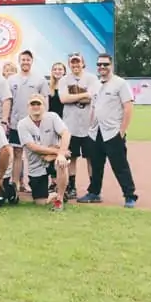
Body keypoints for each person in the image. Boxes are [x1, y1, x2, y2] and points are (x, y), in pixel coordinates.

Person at [78, 54, 139, 208]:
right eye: (99, 64)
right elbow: (94, 107)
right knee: (96, 165)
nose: (102, 67)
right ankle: (94, 192)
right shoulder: (97, 85)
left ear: (111, 65)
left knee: (120, 166)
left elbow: (128, 107)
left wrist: (122, 131)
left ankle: (129, 195)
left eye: (105, 64)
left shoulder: (120, 83)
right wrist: (91, 126)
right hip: (96, 132)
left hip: (113, 132)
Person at [17, 93, 71, 210]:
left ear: (44, 106)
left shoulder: (53, 117)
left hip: (53, 160)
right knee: (40, 202)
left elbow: (65, 133)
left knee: (61, 163)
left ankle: (59, 199)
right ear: (28, 107)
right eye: (33, 104)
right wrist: (56, 152)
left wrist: (60, 154)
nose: (36, 106)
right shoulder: (22, 124)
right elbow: (33, 147)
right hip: (36, 164)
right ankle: (55, 194)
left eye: (38, 104)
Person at [58, 53, 99, 200]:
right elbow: (63, 98)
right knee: (72, 157)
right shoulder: (64, 80)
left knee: (91, 158)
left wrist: (73, 97)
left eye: (78, 62)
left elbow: (93, 98)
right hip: (70, 125)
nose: (75, 65)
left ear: (83, 63)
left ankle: (94, 188)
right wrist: (84, 95)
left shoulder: (92, 78)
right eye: (72, 63)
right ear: (69, 65)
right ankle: (72, 186)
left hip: (89, 126)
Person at [8, 50, 49, 196]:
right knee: (17, 153)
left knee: (36, 152)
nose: (25, 62)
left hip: (35, 123)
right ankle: (16, 184)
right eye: (23, 59)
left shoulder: (40, 80)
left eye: (28, 60)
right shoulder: (11, 80)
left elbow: (45, 101)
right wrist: (7, 119)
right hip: (16, 123)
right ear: (19, 61)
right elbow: (9, 101)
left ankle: (37, 182)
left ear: (32, 61)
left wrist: (44, 119)